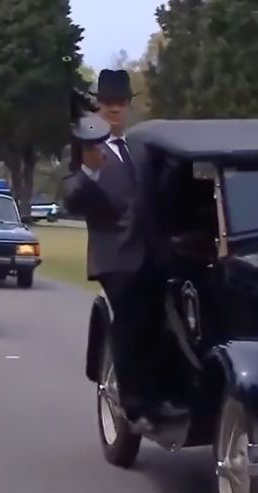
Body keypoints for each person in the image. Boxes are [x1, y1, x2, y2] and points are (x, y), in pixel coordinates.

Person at [61, 69, 182, 431]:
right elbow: (71, 198)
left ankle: (165, 394)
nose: (114, 109)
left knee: (171, 320)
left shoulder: (140, 149)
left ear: (128, 106)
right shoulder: (85, 150)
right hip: (115, 257)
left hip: (153, 255)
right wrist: (90, 172)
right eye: (107, 103)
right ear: (98, 107)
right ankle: (133, 407)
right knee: (130, 322)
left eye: (121, 103)